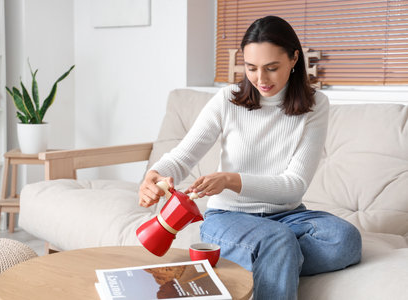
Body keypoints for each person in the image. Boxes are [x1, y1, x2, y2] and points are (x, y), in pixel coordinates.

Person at [139, 16, 362, 300]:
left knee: (344, 240)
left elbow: (294, 185)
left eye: (271, 68)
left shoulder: (315, 105)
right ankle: (275, 253)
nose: (260, 79)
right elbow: (184, 155)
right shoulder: (227, 100)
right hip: (229, 217)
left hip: (288, 215)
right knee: (278, 242)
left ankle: (273, 257)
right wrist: (155, 173)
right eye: (251, 68)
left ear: (294, 58)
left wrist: (231, 180)